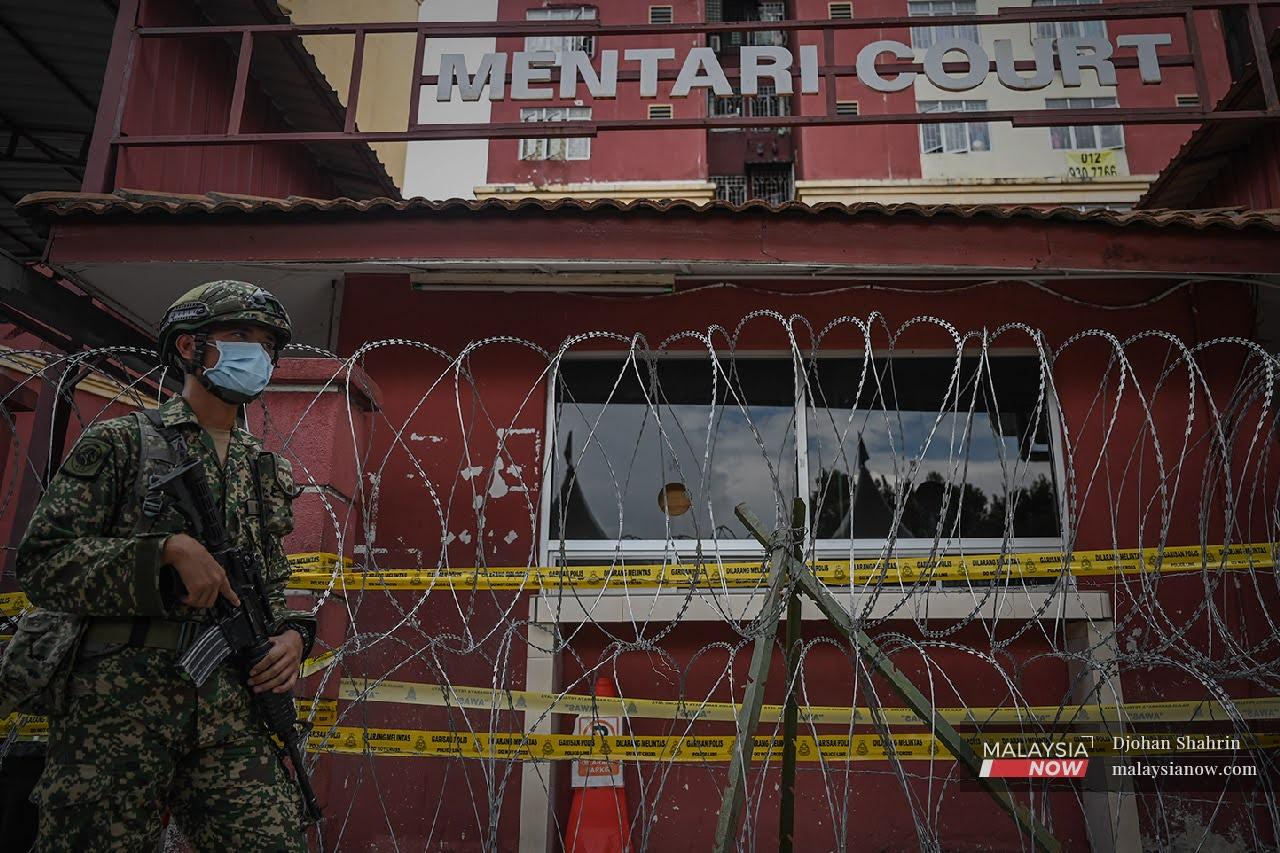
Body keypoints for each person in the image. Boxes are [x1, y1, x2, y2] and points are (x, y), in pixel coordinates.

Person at [16, 280, 317, 851]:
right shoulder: (122, 442)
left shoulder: (264, 470)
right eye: (240, 336)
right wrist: (162, 554)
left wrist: (295, 637)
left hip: (231, 706)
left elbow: (268, 585)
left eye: (267, 344)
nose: (258, 353)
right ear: (188, 348)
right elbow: (42, 563)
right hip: (119, 708)